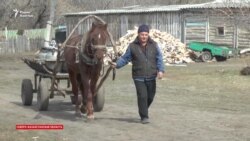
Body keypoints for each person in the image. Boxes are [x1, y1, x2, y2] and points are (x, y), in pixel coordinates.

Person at [110, 24, 165, 124]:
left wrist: (160, 70)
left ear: (148, 35)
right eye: (142, 34)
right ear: (138, 34)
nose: (144, 36)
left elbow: (159, 58)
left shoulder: (154, 45)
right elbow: (125, 58)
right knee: (142, 96)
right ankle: (144, 116)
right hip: (138, 76)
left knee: (150, 97)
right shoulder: (132, 46)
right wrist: (117, 64)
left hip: (151, 76)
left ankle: (143, 108)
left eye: (146, 34)